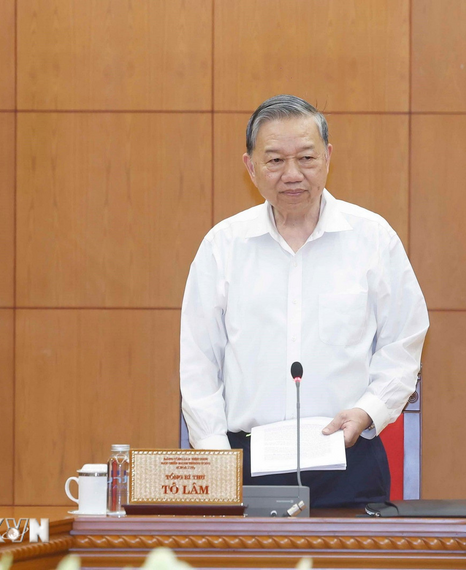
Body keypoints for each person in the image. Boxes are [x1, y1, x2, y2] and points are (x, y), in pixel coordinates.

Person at [180, 94, 428, 507]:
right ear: (251, 167)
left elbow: (404, 340)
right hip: (245, 463)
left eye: (307, 158)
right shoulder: (223, 245)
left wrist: (369, 410)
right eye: (275, 160)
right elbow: (198, 361)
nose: (292, 174)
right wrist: (215, 457)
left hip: (348, 457)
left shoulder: (372, 238)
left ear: (328, 158)